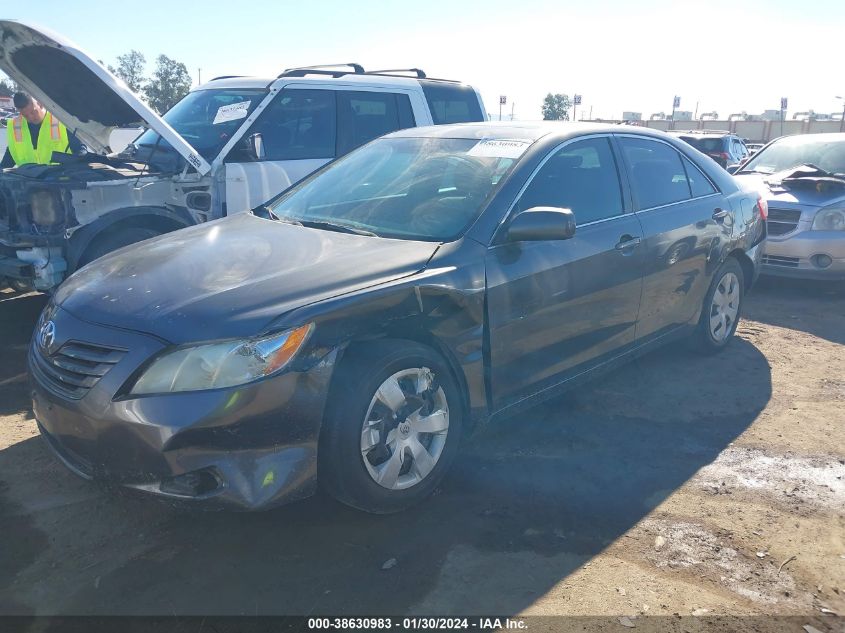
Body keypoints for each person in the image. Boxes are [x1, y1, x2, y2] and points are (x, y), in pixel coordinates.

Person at [2, 92, 84, 168]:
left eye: (33, 112)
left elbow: (80, 152)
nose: (30, 117)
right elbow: (9, 157)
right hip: (29, 182)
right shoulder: (16, 126)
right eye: (25, 115)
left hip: (60, 180)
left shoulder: (61, 121)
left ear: (40, 104)